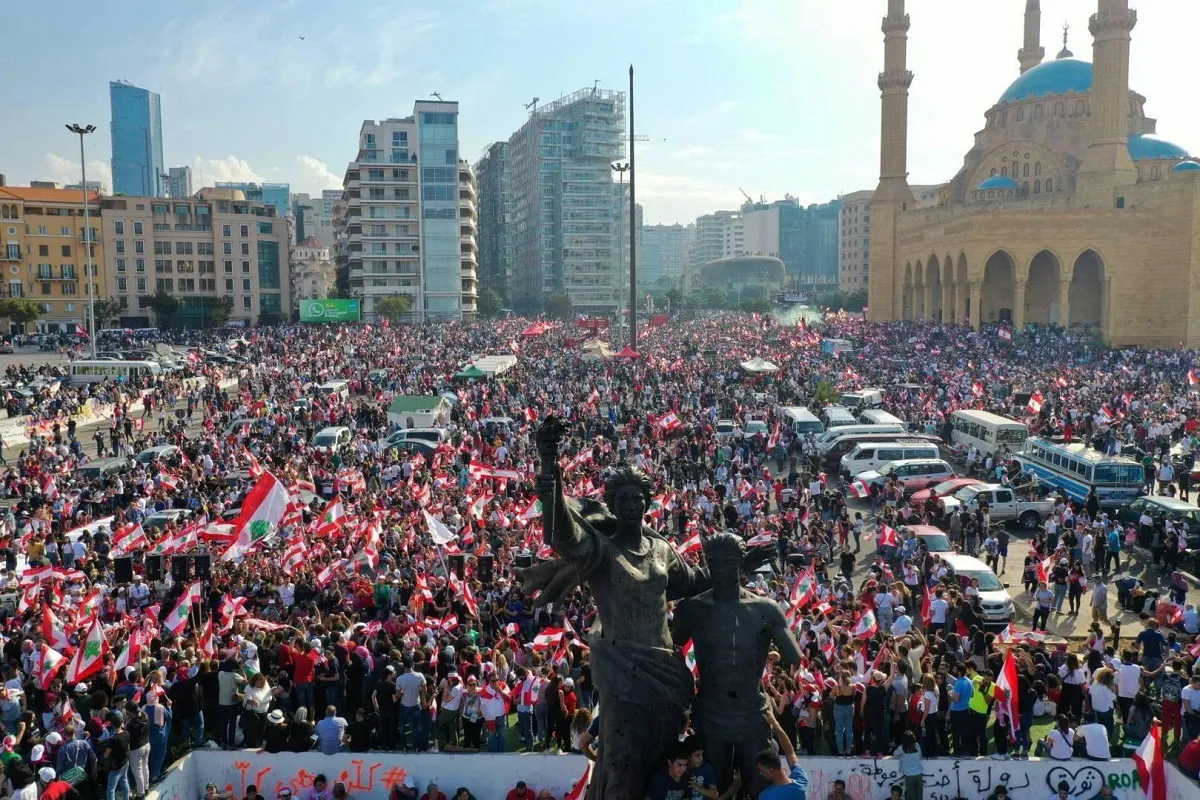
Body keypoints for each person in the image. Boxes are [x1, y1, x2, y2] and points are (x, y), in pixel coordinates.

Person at [757, 709, 808, 800]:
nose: (761, 773)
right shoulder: (801, 781)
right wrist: (775, 723)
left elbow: (789, 751)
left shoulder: (766, 796)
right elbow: (789, 751)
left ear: (771, 771)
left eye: (762, 771)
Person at [892, 730, 922, 800]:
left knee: (911, 797)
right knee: (919, 796)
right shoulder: (917, 745)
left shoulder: (902, 747)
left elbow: (895, 753)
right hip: (919, 774)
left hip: (909, 776)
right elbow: (920, 756)